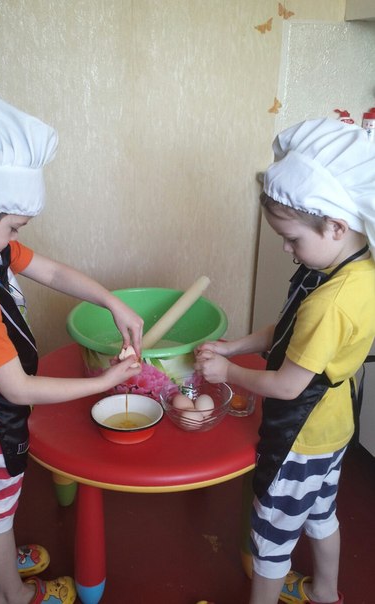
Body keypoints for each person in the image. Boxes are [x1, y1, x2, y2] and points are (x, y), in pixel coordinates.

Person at [0, 93, 143, 604]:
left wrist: (111, 301)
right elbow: (17, 388)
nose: (14, 240)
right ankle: (11, 593)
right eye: (13, 229)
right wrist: (104, 382)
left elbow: (52, 272)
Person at [194, 118, 375, 604]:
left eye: (293, 239)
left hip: (302, 438)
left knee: (271, 537)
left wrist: (227, 373)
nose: (286, 248)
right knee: (321, 515)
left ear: (336, 225)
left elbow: (289, 385)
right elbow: (293, 334)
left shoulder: (330, 302)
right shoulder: (358, 271)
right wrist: (233, 347)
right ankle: (325, 592)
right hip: (336, 429)